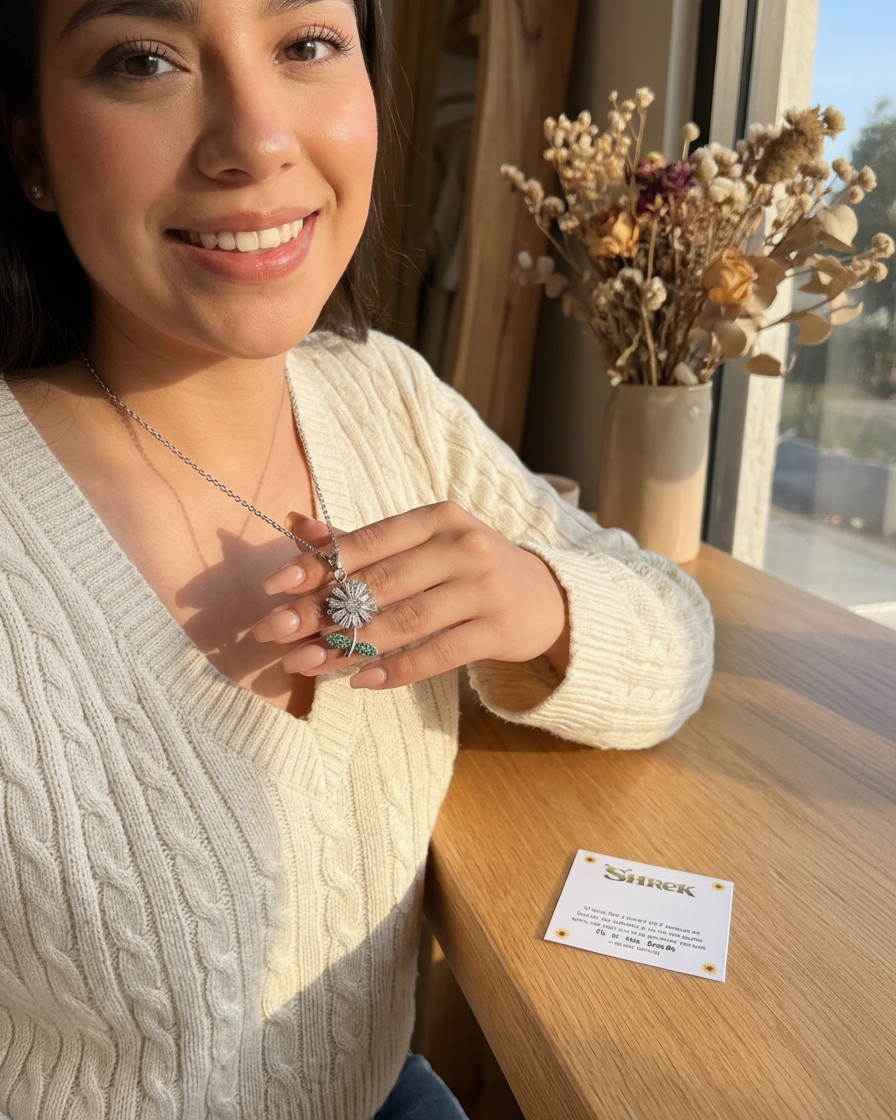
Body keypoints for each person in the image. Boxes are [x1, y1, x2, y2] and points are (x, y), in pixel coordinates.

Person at [0, 0, 714, 1117]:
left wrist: (539, 606)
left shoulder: (385, 398)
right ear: (32, 150)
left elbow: (676, 626)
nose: (257, 139)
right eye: (143, 60)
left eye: (305, 45)